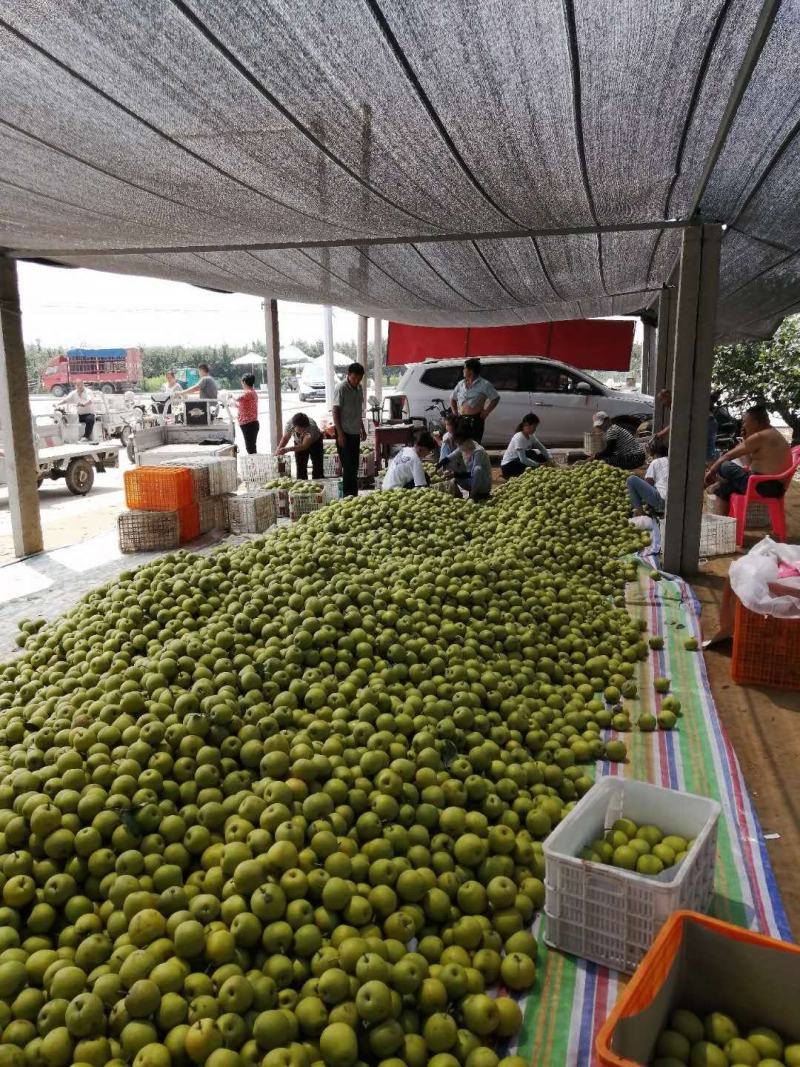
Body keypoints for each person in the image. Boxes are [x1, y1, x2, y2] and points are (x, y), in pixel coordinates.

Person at [705, 405, 792, 506]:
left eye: (745, 422)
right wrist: (746, 439)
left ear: (755, 423)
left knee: (725, 465)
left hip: (764, 486)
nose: (743, 425)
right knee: (724, 489)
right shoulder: (771, 433)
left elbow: (727, 456)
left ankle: (714, 483)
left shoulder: (760, 436)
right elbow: (748, 464)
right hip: (772, 487)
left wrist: (711, 472)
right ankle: (722, 520)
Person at [332, 363, 367, 497]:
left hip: (355, 432)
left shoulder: (359, 388)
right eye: (354, 378)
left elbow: (358, 411)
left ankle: (354, 494)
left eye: (359, 379)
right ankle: (348, 495)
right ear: (348, 375)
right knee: (348, 466)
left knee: (355, 465)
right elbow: (335, 412)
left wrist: (362, 429)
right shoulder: (341, 388)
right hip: (344, 432)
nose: (357, 381)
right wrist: (340, 434)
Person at [449, 358, 500, 443]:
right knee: (460, 444)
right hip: (461, 419)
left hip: (475, 420)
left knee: (474, 445)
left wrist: (486, 412)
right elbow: (452, 398)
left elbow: (495, 398)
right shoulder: (461, 383)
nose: (463, 370)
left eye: (465, 368)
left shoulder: (485, 384)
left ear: (471, 371)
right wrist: (455, 413)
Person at [441, 420, 492, 500]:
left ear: (466, 441)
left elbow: (475, 473)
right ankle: (470, 493)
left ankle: (474, 495)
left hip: (481, 485)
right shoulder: (465, 446)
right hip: (470, 479)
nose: (458, 445)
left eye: (459, 443)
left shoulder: (478, 451)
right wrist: (439, 465)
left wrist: (456, 474)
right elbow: (452, 456)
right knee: (451, 463)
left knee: (477, 469)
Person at [500, 413, 551, 479]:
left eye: (536, 427)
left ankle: (535, 469)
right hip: (509, 467)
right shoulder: (519, 437)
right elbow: (523, 459)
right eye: (534, 427)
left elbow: (541, 447)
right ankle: (511, 476)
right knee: (530, 455)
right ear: (526, 425)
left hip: (518, 461)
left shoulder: (531, 435)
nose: (535, 429)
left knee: (536, 454)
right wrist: (538, 465)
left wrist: (549, 458)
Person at [626, 437, 669, 515]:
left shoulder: (656, 462)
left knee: (631, 479)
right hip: (674, 502)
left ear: (655, 453)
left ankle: (640, 512)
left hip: (662, 502)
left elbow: (649, 483)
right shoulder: (670, 461)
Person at [277, 412, 324, 480]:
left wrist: (287, 449)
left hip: (315, 442)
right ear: (294, 426)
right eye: (300, 429)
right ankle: (302, 484)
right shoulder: (290, 425)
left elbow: (304, 446)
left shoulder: (311, 428)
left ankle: (318, 483)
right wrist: (278, 450)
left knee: (317, 466)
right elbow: (285, 438)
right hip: (299, 442)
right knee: (300, 466)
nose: (302, 432)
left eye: (304, 429)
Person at [236, 374, 259, 454]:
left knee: (250, 448)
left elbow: (237, 398)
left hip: (248, 424)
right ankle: (254, 465)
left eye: (242, 382)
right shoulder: (253, 392)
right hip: (251, 424)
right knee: (251, 447)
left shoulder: (247, 393)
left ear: (244, 382)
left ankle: (254, 465)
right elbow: (244, 406)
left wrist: (229, 396)